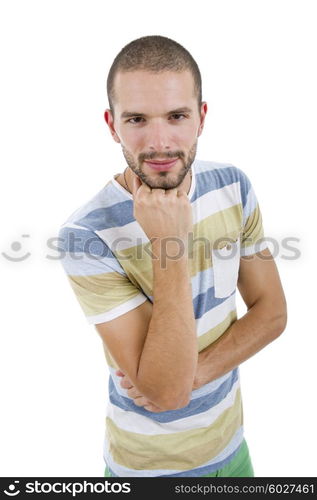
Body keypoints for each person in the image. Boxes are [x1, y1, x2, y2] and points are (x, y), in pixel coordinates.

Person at [57, 35, 287, 477]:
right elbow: (163, 393)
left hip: (233, 454)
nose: (159, 142)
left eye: (177, 116)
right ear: (112, 125)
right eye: (137, 119)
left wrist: (194, 374)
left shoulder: (233, 186)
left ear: (201, 118)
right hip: (147, 471)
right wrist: (168, 245)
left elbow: (273, 313)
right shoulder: (85, 235)